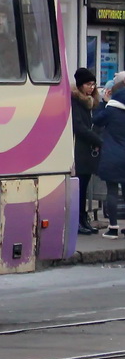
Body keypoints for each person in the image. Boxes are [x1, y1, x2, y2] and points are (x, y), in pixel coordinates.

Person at [93, 79, 125, 238]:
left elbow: (96, 120)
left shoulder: (111, 110)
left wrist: (103, 103)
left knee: (112, 191)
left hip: (112, 156)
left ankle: (113, 228)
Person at [71, 68, 102, 234]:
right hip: (79, 150)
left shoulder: (89, 102)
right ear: (80, 85)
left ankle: (83, 218)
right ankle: (78, 220)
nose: (91, 87)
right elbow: (79, 127)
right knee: (80, 188)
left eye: (93, 84)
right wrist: (97, 140)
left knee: (84, 186)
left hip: (87, 151)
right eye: (88, 84)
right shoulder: (76, 102)